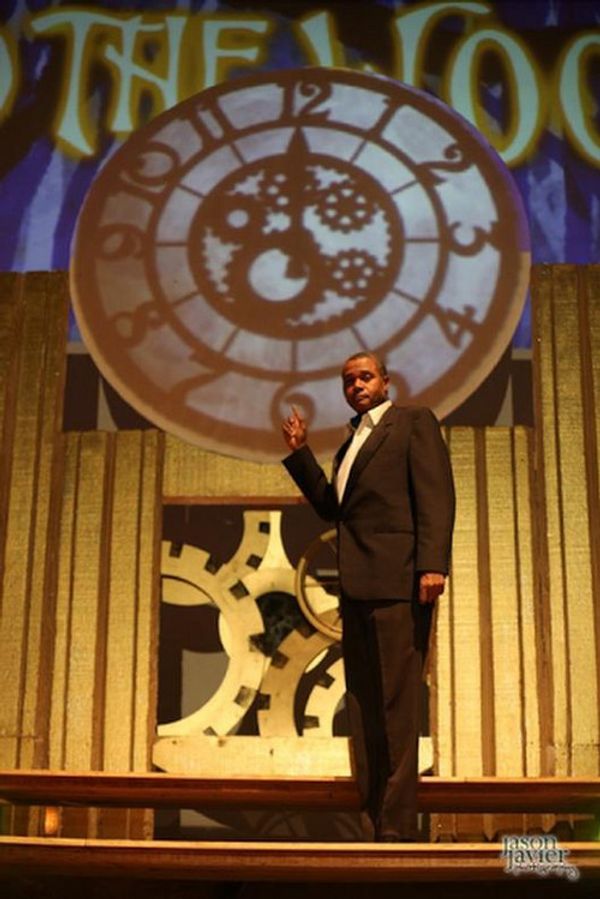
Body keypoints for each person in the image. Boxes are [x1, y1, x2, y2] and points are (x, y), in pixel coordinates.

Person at [281, 351, 455, 842]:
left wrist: (433, 564)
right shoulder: (349, 444)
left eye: (364, 377)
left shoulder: (412, 423)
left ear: (385, 381)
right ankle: (373, 821)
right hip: (357, 588)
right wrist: (300, 453)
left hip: (399, 583)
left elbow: (436, 495)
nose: (356, 386)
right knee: (364, 708)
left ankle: (397, 826)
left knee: (396, 709)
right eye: (348, 381)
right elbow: (331, 508)